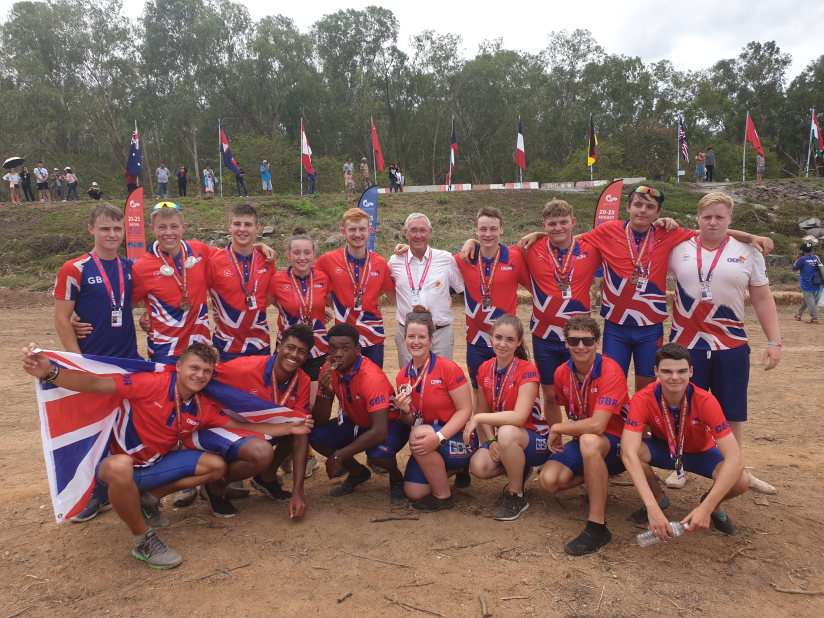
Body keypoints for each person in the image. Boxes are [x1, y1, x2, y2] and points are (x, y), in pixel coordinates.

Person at [21, 342, 313, 568]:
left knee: (215, 466)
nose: (200, 375)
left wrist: (289, 426)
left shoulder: (202, 406)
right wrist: (51, 373)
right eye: (194, 368)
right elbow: (96, 384)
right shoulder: (151, 384)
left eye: (207, 371)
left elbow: (242, 425)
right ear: (178, 367)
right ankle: (143, 539)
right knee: (121, 465)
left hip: (152, 468)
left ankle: (149, 499)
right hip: (111, 472)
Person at [520, 186, 770, 394]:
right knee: (611, 382)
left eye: (650, 207)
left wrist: (750, 237)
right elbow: (567, 238)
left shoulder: (667, 232)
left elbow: (706, 230)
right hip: (616, 326)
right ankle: (615, 432)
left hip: (650, 327)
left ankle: (644, 432)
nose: (643, 210)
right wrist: (540, 233)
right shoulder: (608, 231)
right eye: (638, 205)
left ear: (658, 212)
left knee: (647, 386)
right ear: (627, 207)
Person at [668, 191, 781, 494]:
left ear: (730, 219)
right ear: (698, 218)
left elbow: (762, 297)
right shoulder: (678, 246)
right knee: (684, 408)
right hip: (686, 345)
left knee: (732, 412)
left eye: (720, 217)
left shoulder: (749, 250)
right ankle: (680, 467)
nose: (713, 222)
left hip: (730, 344)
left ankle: (736, 468)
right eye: (707, 217)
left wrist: (775, 341)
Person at [621, 343, 749, 539]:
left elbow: (735, 459)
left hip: (701, 453)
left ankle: (713, 503)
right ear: (656, 371)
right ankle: (658, 498)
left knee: (740, 480)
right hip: (664, 450)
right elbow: (628, 452)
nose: (675, 377)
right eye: (667, 371)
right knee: (632, 452)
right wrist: (652, 507)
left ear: (691, 371)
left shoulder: (706, 401)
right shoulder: (642, 398)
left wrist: (706, 508)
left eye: (681, 371)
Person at [130, 202, 274, 366]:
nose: (168, 232)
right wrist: (149, 314)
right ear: (152, 229)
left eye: (174, 226)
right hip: (163, 351)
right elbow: (128, 307)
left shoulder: (199, 251)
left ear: (183, 228)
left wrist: (259, 246)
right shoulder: (141, 267)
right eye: (162, 227)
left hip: (200, 348)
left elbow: (233, 252)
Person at [539, 315, 630, 555]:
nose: (581, 346)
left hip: (617, 445)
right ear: (566, 343)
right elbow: (567, 408)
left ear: (597, 343)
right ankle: (596, 477)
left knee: (590, 439)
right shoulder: (561, 373)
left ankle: (597, 526)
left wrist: (557, 428)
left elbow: (598, 425)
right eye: (574, 341)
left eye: (587, 341)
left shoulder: (611, 370)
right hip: (585, 442)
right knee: (548, 481)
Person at [210, 325, 315, 516]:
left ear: (306, 357)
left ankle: (265, 477)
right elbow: (204, 378)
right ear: (279, 346)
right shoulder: (245, 367)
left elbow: (300, 429)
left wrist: (298, 493)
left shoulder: (303, 381)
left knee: (303, 427)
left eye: (301, 352)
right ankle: (214, 485)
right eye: (290, 347)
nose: (294, 355)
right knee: (262, 453)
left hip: (264, 430)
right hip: (232, 430)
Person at [516, 200, 601, 428]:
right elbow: (496, 251)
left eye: (563, 222)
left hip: (580, 338)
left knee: (584, 390)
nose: (558, 228)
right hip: (544, 336)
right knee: (551, 394)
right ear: (544, 226)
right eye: (552, 224)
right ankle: (555, 441)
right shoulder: (531, 247)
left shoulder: (591, 249)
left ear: (573, 222)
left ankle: (583, 438)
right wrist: (473, 241)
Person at [309, 323, 411, 505]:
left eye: (345, 348)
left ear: (357, 350)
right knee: (316, 436)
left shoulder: (371, 377)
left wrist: (338, 455)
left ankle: (396, 477)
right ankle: (358, 473)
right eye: (332, 348)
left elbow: (380, 432)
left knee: (377, 455)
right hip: (357, 421)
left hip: (390, 424)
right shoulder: (329, 368)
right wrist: (325, 392)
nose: (337, 354)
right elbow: (320, 421)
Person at [464, 314, 549, 521]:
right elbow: (485, 413)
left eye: (510, 339)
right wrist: (491, 440)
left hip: (535, 439)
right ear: (491, 338)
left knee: (508, 431)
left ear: (519, 342)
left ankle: (516, 496)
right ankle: (519, 466)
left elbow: (519, 418)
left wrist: (478, 418)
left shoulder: (527, 370)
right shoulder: (484, 369)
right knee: (478, 466)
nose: (502, 344)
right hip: (506, 439)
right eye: (498, 337)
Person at [395, 306, 475, 511]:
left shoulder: (448, 368)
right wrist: (405, 411)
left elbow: (465, 410)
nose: (416, 342)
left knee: (418, 435)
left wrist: (439, 437)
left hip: (458, 437)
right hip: (430, 439)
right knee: (414, 492)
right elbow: (411, 420)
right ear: (404, 338)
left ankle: (443, 496)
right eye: (411, 336)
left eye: (422, 337)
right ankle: (454, 470)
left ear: (431, 339)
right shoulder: (403, 376)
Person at [455, 208, 527, 404]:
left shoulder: (515, 257)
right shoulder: (464, 258)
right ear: (476, 230)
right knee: (479, 395)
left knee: (509, 393)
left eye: (493, 229)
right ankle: (481, 426)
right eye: (483, 229)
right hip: (476, 342)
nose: (488, 234)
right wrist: (406, 248)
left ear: (501, 229)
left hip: (506, 341)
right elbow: (432, 259)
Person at [315, 208, 396, 369]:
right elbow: (308, 280)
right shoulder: (328, 260)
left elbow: (391, 294)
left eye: (362, 229)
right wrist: (317, 308)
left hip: (373, 336)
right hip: (343, 338)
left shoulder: (380, 262)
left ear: (370, 231)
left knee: (373, 381)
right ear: (343, 231)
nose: (357, 234)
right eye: (352, 229)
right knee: (344, 382)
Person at [388, 213, 465, 367]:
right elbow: (384, 288)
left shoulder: (446, 259)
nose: (418, 235)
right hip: (408, 335)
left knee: (441, 379)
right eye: (413, 230)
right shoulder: (394, 262)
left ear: (430, 232)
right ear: (406, 233)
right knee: (410, 378)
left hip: (440, 335)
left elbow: (463, 290)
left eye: (422, 230)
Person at [268, 227, 331, 406]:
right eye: (296, 253)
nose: (302, 257)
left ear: (314, 255)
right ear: (289, 256)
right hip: (287, 348)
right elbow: (258, 305)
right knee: (281, 400)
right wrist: (219, 312)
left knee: (311, 404)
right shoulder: (277, 279)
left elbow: (340, 305)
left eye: (307, 252)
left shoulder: (323, 278)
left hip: (317, 349)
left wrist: (315, 312)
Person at [205, 204, 276, 362]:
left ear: (257, 228)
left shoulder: (267, 261)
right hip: (226, 347)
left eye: (248, 224)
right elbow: (195, 294)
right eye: (237, 224)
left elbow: (276, 297)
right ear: (230, 227)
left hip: (261, 345)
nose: (242, 229)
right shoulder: (213, 261)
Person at [793, 242, 821, 324]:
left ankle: (814, 317)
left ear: (802, 251)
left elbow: (794, 268)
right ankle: (799, 314)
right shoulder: (816, 257)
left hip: (806, 282)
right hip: (816, 281)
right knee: (806, 299)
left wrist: (797, 259)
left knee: (810, 300)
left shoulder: (802, 259)